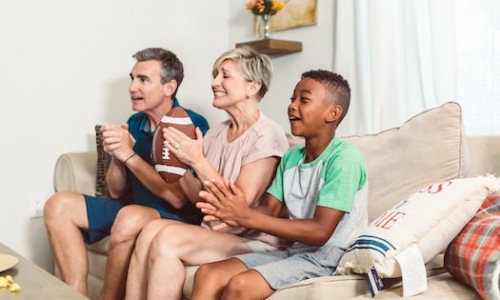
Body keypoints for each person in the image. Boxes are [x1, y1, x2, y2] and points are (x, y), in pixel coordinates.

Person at [43, 47, 210, 300]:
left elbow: (178, 197)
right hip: (132, 207)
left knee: (129, 217)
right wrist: (118, 157)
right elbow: (116, 189)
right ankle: (75, 295)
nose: (133, 87)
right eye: (133, 79)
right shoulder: (135, 121)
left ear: (169, 87)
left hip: (175, 217)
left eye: (143, 80)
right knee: (58, 205)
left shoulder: (189, 123)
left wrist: (130, 155)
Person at [124, 46, 289, 300]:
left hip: (254, 242)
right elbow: (198, 198)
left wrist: (197, 159)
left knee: (166, 239)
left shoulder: (267, 134)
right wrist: (176, 164)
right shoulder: (216, 133)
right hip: (214, 234)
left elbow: (238, 206)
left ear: (252, 86)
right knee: (149, 232)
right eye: (215, 75)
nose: (215, 83)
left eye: (225, 75)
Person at [191, 70, 368, 300]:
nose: (292, 106)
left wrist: (246, 216)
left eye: (303, 100)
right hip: (295, 251)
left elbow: (320, 231)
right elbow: (268, 209)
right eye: (292, 99)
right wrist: (231, 212)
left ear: (332, 113)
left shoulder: (345, 159)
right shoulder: (292, 158)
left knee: (241, 285)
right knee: (208, 273)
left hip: (331, 257)